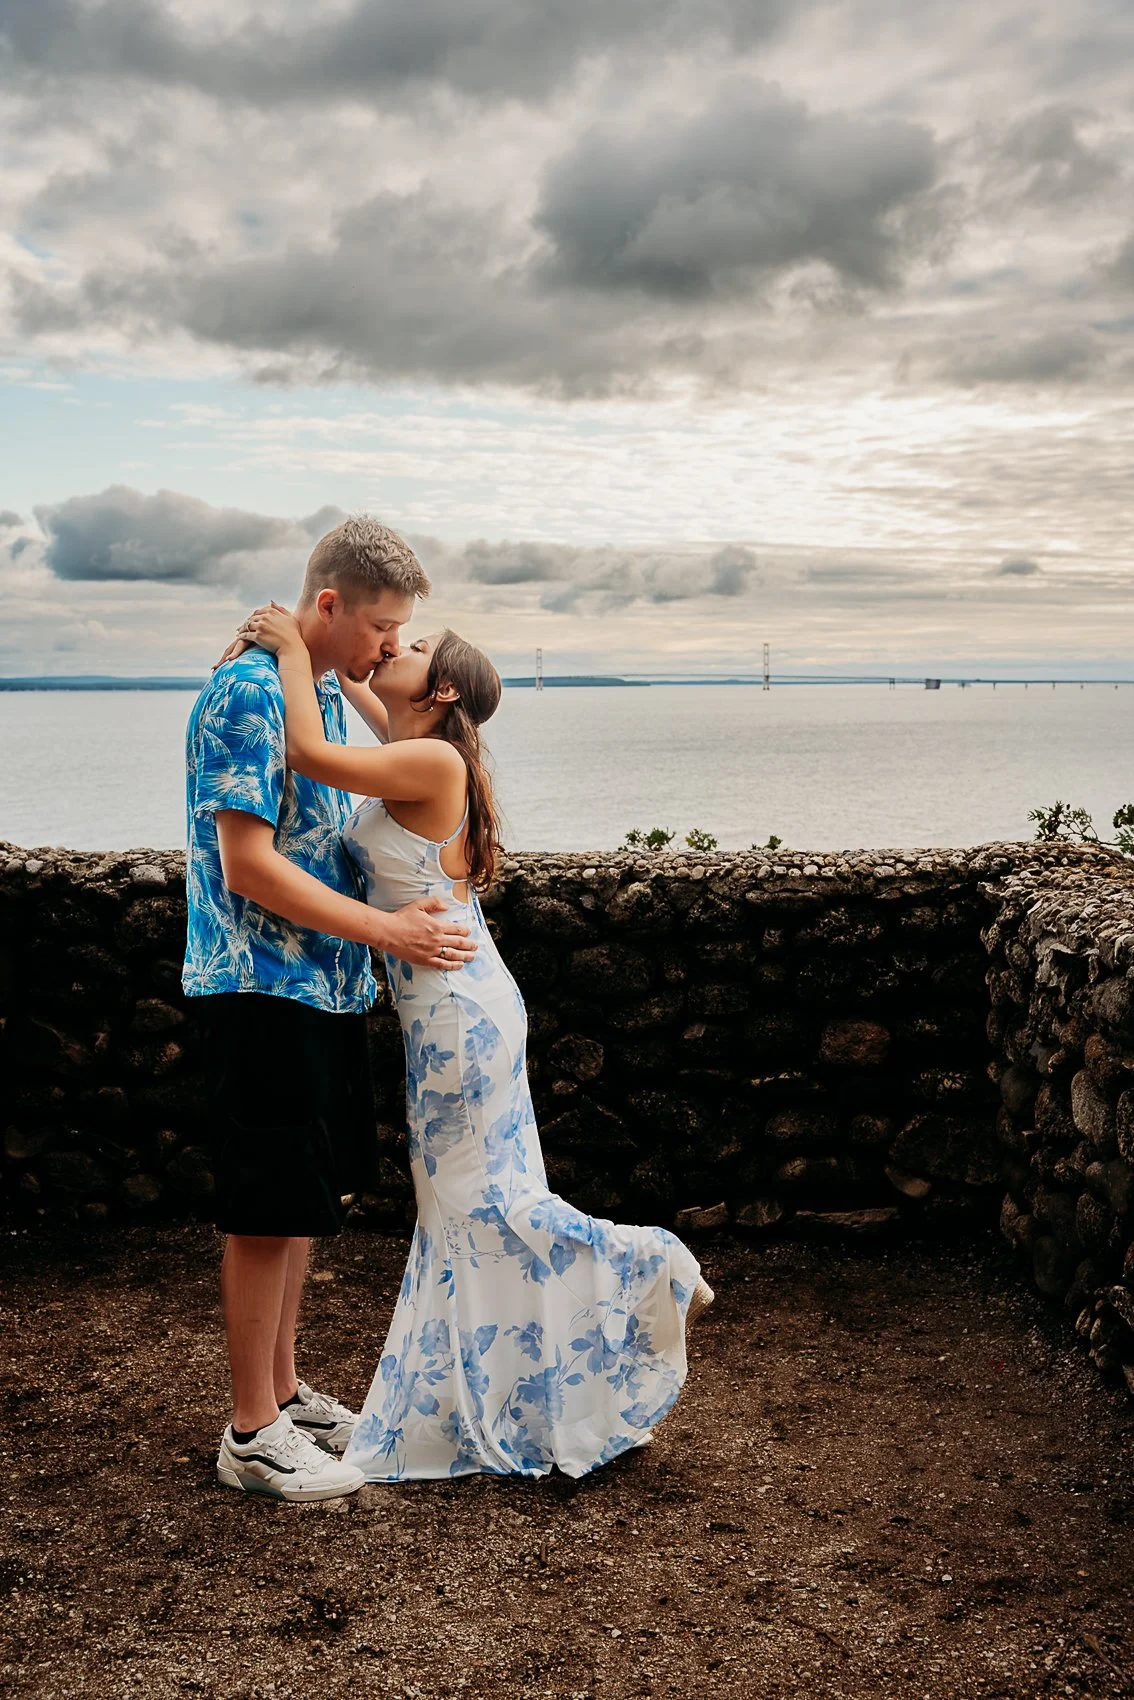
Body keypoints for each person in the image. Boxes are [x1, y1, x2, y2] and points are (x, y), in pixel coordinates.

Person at [236, 599, 716, 1481]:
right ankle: (487, 1397)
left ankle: (646, 1262)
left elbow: (308, 750)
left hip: (459, 1012)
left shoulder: (429, 759)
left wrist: (286, 651)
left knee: (476, 1204)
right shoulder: (414, 741)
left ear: (444, 684)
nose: (396, 649)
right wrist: (331, 639)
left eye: (413, 645)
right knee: (463, 1207)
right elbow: (354, 681)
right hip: (453, 1010)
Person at [183, 516, 478, 1505]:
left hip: (317, 984)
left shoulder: (309, 692)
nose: (391, 647)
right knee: (265, 1211)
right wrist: (391, 932)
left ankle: (283, 1392)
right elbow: (248, 863)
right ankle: (252, 1431)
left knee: (299, 1204)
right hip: (258, 981)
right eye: (383, 627)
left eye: (403, 635)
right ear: (328, 607)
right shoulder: (248, 690)